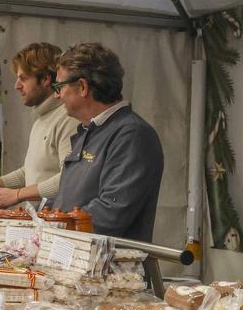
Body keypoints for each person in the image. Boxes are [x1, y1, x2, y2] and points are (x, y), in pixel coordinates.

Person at [53, 42, 164, 241]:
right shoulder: (90, 131)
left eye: (60, 86)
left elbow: (111, 212)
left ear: (82, 87)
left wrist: (54, 231)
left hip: (109, 268)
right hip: (77, 259)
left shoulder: (132, 134)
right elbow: (69, 199)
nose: (56, 95)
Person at [0, 43, 79, 208]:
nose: (16, 85)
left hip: (55, 225)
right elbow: (29, 172)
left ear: (46, 79)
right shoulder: (42, 119)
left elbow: (68, 178)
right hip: (41, 223)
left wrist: (18, 194)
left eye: (23, 78)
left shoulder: (68, 118)